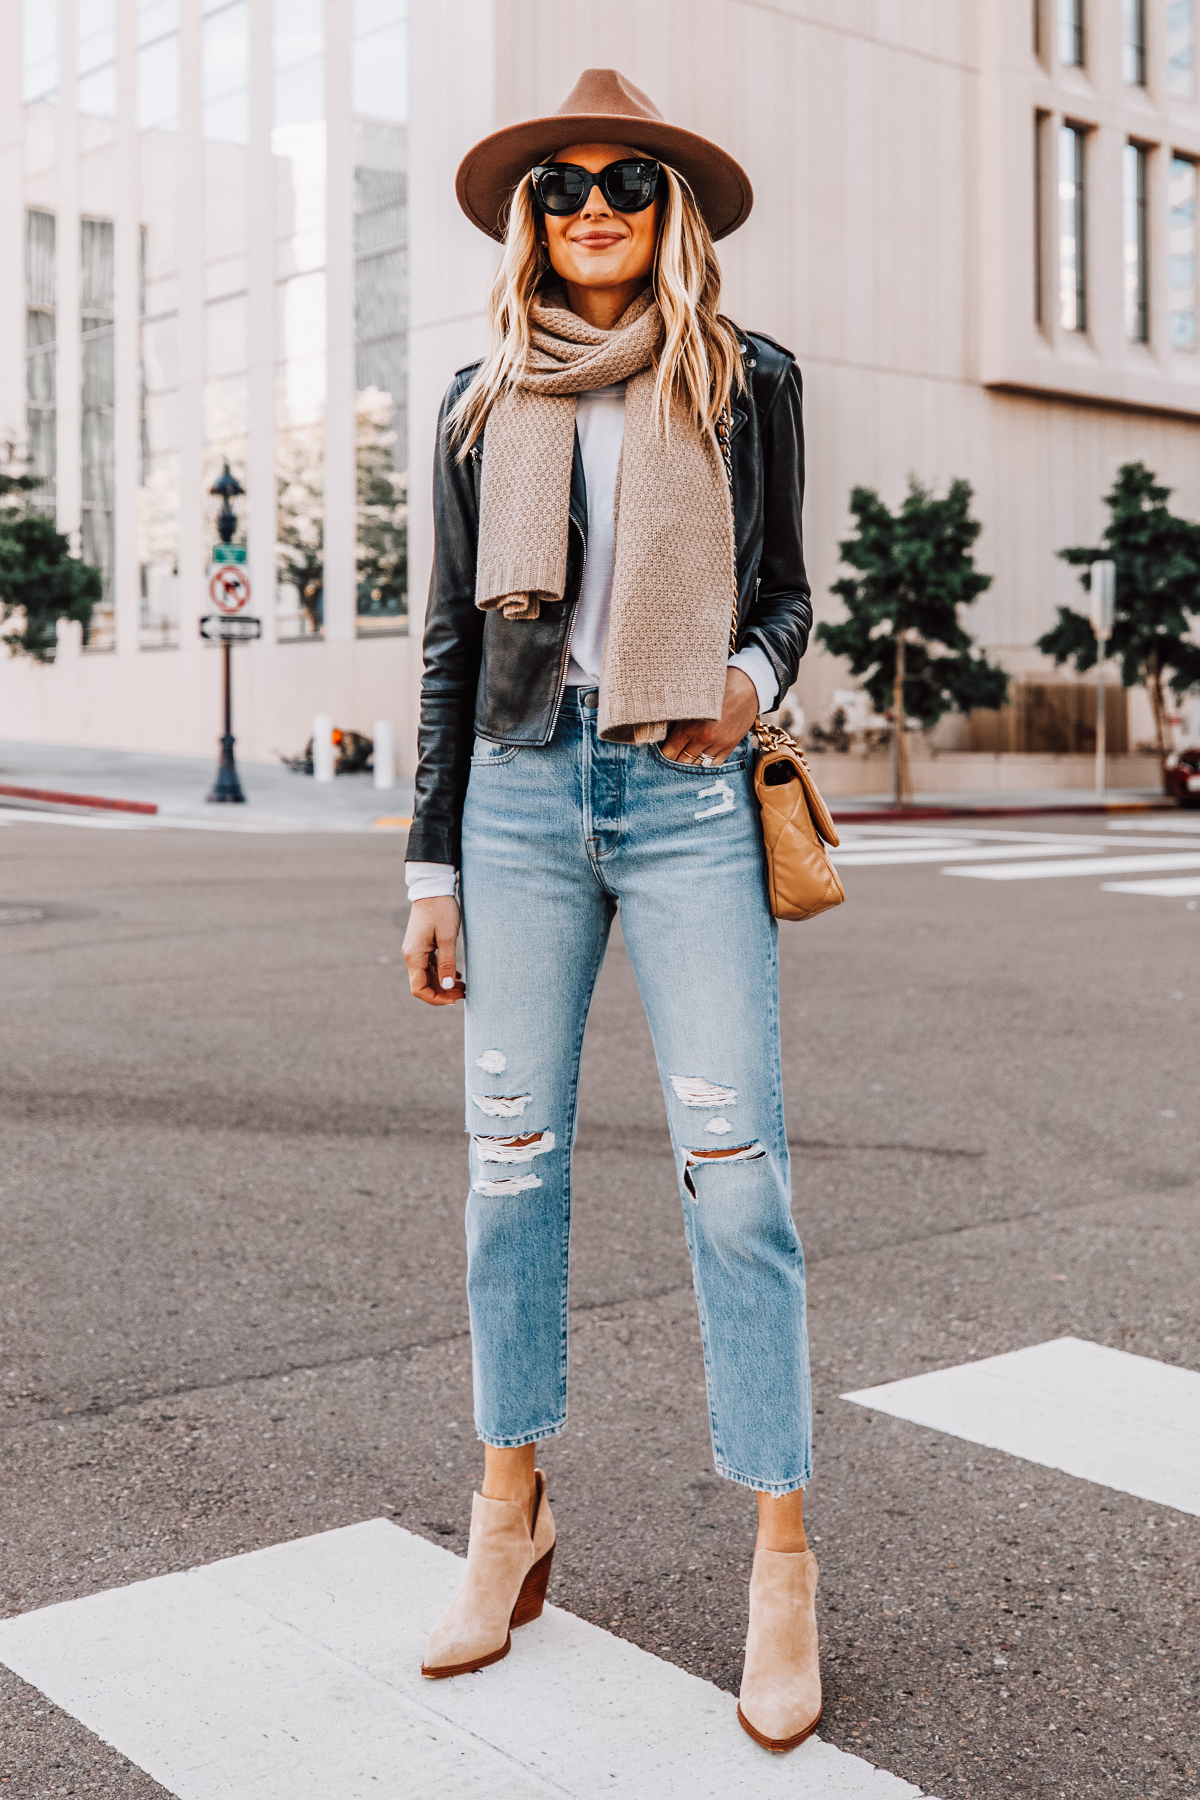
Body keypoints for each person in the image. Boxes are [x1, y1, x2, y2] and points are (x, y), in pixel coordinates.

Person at [402, 68, 819, 1754]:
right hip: (513, 799)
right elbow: (448, 640)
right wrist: (427, 866)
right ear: (528, 217)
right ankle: (509, 1519)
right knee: (511, 1172)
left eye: (626, 183)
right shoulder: (474, 398)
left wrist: (740, 679)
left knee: (736, 1175)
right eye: (563, 186)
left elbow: (789, 587)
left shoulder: (748, 377)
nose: (592, 207)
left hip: (683, 787)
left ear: (673, 213)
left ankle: (783, 1560)